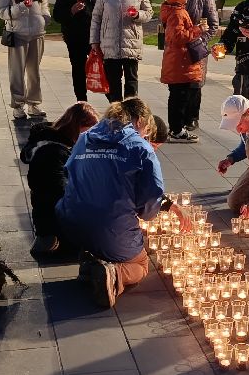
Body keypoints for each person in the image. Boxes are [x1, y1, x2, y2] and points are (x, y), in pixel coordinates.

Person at [57, 98, 179, 309]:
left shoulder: (85, 137)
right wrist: (144, 214)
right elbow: (151, 199)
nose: (146, 135)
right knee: (141, 264)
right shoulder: (141, 147)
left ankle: (94, 261)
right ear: (140, 121)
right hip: (108, 228)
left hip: (71, 225)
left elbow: (70, 174)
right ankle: (114, 274)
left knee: (103, 234)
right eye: (147, 129)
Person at [20, 102, 100, 256]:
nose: (91, 137)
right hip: (54, 223)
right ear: (78, 127)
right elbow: (60, 193)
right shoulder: (53, 152)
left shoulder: (61, 143)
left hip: (52, 215)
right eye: (89, 132)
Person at [0, 0, 50, 121]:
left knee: (34, 71)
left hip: (37, 34)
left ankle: (34, 103)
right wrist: (18, 9)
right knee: (17, 71)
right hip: (17, 34)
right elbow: (0, 10)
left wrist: (44, 19)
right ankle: (18, 105)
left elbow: (44, 6)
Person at [90, 0, 153, 102]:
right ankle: (116, 111)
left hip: (131, 43)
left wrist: (138, 15)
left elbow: (149, 12)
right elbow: (96, 16)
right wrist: (94, 41)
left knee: (131, 81)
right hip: (109, 43)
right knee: (113, 82)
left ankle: (131, 111)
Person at [160, 0, 208, 142]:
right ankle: (177, 130)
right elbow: (178, 37)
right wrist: (197, 30)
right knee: (179, 98)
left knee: (178, 97)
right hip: (180, 63)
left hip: (178, 62)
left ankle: (176, 129)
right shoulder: (177, 13)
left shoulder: (176, 10)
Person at [53, 0, 100, 103]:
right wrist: (71, 11)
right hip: (75, 38)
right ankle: (82, 102)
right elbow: (57, 15)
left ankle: (113, 100)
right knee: (78, 68)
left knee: (102, 67)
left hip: (95, 37)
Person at [182, 0, 219, 131]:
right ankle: (180, 117)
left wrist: (200, 40)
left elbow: (213, 25)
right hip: (180, 47)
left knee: (195, 85)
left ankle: (192, 118)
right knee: (180, 83)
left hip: (197, 48)